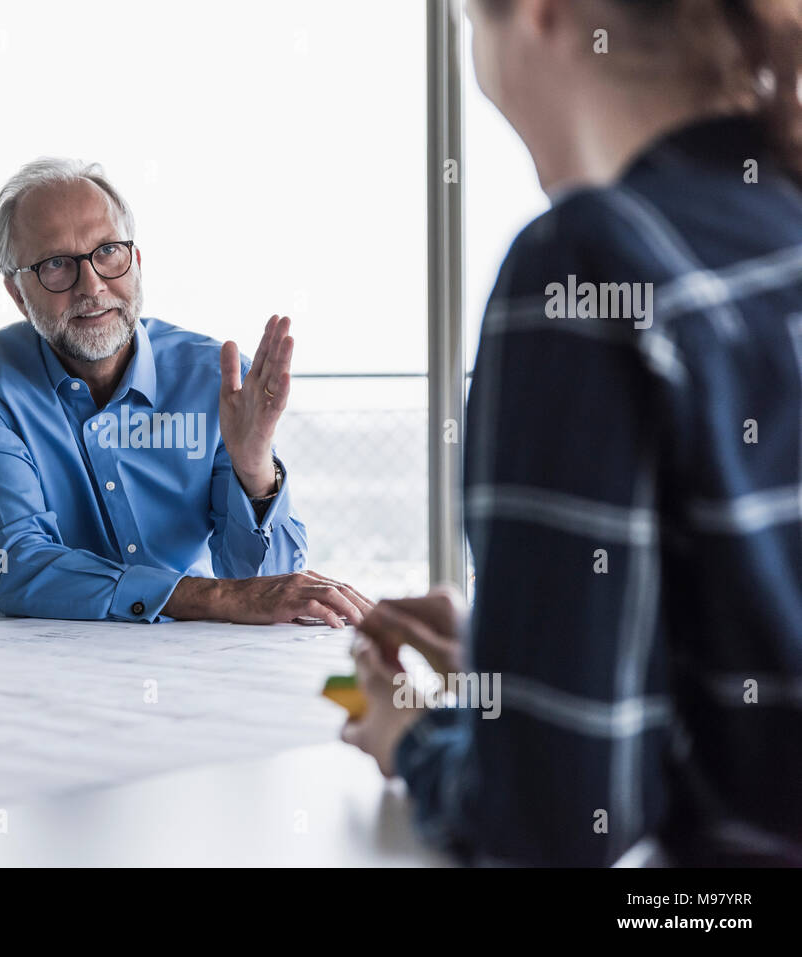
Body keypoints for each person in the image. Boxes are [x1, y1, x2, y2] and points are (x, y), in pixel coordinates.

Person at [343, 0, 802, 865]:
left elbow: (551, 818)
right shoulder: (775, 222)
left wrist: (416, 733)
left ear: (540, 16)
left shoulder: (587, 265)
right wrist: (512, 651)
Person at [0, 158, 372, 626]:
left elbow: (268, 584)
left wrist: (254, 469)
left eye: (107, 252)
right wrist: (212, 599)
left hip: (202, 662)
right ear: (18, 294)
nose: (92, 285)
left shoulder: (216, 378)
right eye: (56, 264)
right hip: (40, 668)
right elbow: (16, 567)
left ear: (136, 263)